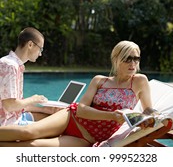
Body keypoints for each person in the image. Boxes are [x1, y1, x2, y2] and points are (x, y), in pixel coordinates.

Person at [0, 40, 156, 147]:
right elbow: (81, 109)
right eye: (128, 59)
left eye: (136, 59)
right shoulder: (100, 80)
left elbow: (148, 109)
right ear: (116, 59)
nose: (133, 63)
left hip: (88, 138)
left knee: (31, 146)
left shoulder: (139, 81)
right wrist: (112, 116)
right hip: (71, 118)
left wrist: (155, 116)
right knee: (28, 132)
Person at [0, 27, 56, 126]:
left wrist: (45, 109)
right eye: (41, 49)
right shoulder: (10, 66)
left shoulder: (15, 65)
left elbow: (17, 105)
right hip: (7, 125)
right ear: (30, 45)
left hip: (17, 117)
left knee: (51, 116)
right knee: (58, 122)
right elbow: (10, 105)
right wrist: (34, 99)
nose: (40, 54)